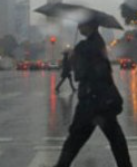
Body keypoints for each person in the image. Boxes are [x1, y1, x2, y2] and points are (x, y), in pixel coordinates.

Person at [53, 20, 132, 167]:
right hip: (102, 98)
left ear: (90, 26)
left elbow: (80, 71)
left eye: (81, 24)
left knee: (76, 138)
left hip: (92, 100)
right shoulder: (97, 41)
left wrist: (70, 56)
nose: (78, 26)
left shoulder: (87, 45)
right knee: (115, 138)